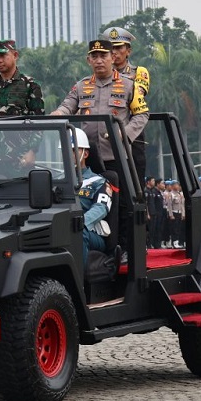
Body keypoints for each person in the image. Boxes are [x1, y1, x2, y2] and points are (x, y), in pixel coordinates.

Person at [51, 39, 149, 253]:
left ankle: (124, 250)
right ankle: (94, 246)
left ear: (112, 58)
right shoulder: (81, 86)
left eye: (103, 56)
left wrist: (126, 136)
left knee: (123, 205)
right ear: (88, 60)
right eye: (94, 57)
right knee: (86, 201)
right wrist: (57, 114)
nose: (99, 61)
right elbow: (67, 107)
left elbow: (142, 114)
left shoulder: (128, 85)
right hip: (88, 158)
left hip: (118, 155)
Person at [102, 27, 150, 180]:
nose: (114, 52)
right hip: (105, 133)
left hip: (131, 132)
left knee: (135, 179)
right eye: (110, 48)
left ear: (128, 51)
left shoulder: (138, 72)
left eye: (118, 48)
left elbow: (136, 95)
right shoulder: (98, 76)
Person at [72, 128, 112, 266]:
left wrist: (79, 223)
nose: (68, 155)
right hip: (63, 226)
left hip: (89, 231)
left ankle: (78, 284)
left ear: (86, 153)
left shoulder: (98, 181)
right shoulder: (55, 180)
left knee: (77, 234)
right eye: (64, 151)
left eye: (73, 150)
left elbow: (101, 207)